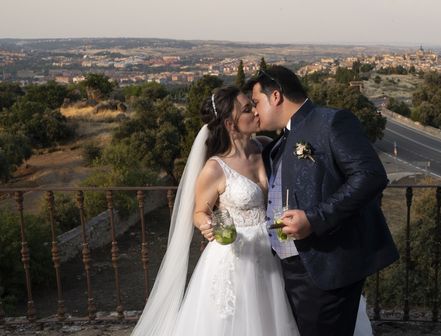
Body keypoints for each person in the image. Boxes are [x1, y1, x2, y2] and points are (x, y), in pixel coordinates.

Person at [130, 85, 374, 336]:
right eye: (248, 109)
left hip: (277, 250)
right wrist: (206, 224)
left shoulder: (267, 146)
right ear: (229, 124)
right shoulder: (214, 169)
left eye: (253, 104)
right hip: (238, 256)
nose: (256, 111)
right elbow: (199, 212)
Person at [246, 66, 399, 336]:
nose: (255, 111)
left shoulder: (332, 121)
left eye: (257, 102)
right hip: (293, 266)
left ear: (277, 96)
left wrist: (314, 219)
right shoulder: (280, 141)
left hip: (327, 265)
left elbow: (370, 175)